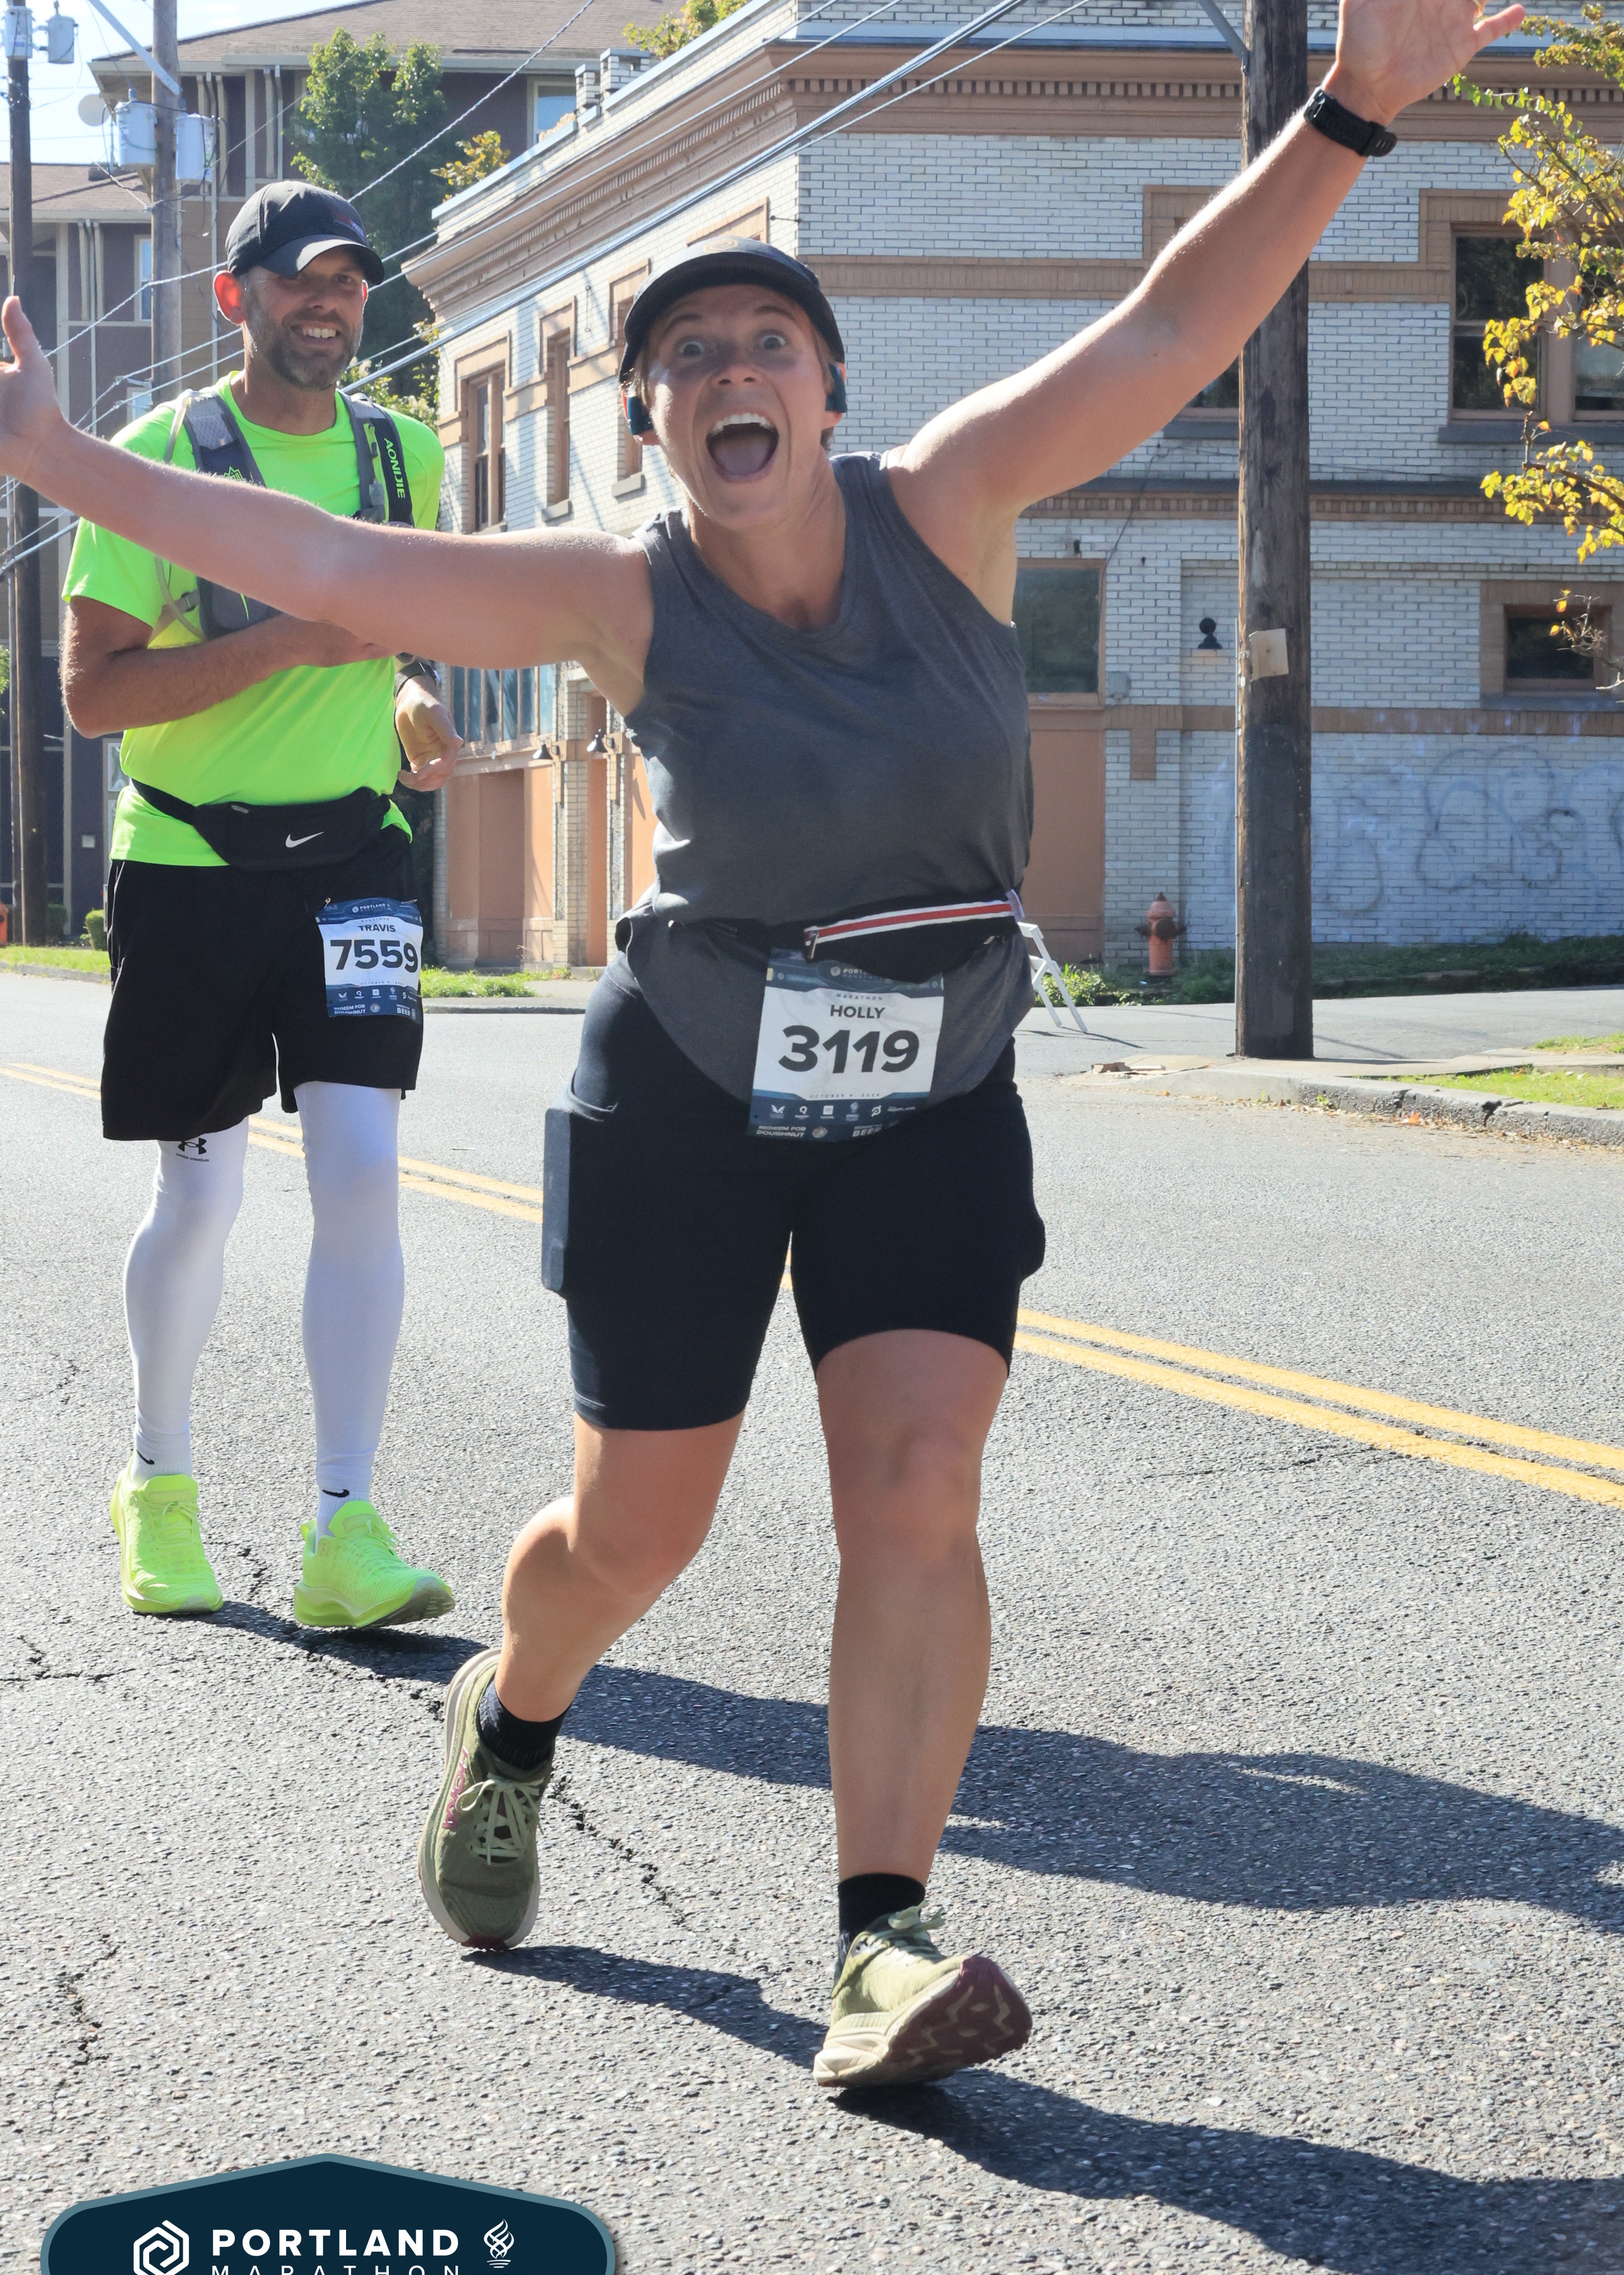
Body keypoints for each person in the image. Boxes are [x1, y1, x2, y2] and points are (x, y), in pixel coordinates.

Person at [0, 0, 1523, 2086]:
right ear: (651, 423)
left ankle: (880, 1940)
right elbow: (341, 563)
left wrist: (1349, 108)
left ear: (829, 388)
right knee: (635, 1538)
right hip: (689, 1101)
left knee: (916, 1482)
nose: (733, 370)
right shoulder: (618, 596)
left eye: (768, 343)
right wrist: (60, 460)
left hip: (932, 1090)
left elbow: (1175, 327)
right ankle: (511, 1716)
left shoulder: (954, 501)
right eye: (689, 355)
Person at [61, 182, 463, 1630]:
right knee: (202, 1190)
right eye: (300, 281)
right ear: (235, 297)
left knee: (361, 1173)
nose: (328, 305)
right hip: (192, 867)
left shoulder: (403, 453)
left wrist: (407, 692)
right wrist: (293, 643)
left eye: (348, 282)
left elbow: (401, 635)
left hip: (356, 862)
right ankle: (157, 1482)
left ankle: (344, 1528)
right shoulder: (160, 463)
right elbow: (93, 695)